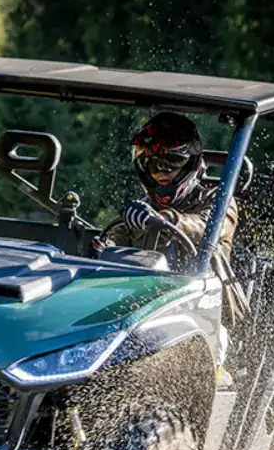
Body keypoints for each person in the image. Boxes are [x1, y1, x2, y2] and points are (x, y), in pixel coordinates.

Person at [105, 111, 248, 327]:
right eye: (152, 163)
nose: (162, 170)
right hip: (147, 311)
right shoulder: (143, 209)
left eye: (172, 160)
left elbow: (209, 227)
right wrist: (107, 245)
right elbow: (118, 237)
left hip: (210, 315)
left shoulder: (218, 202)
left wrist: (169, 220)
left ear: (191, 162)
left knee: (211, 251)